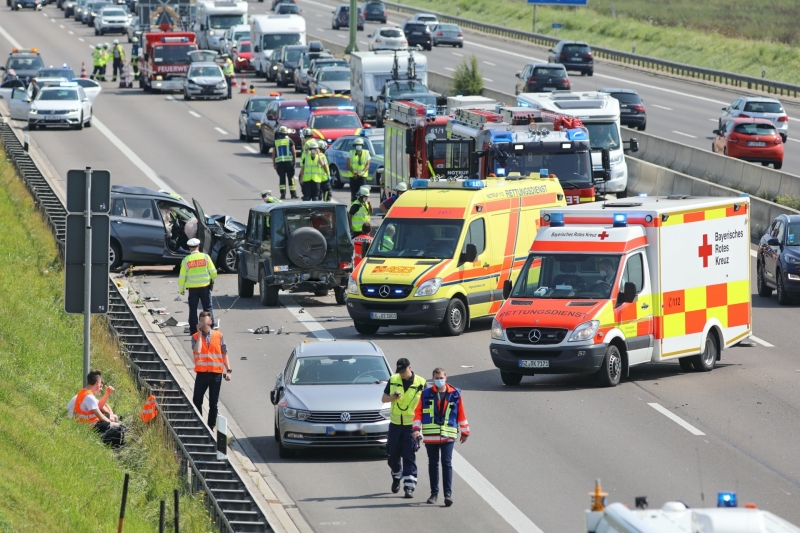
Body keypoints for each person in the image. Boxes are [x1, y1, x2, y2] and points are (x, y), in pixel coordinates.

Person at [412, 368, 469, 507]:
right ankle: (434, 493)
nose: (439, 380)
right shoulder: (425, 394)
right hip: (431, 436)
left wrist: (465, 431)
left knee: (447, 463)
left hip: (448, 434)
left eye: (441, 377)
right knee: (433, 464)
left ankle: (447, 495)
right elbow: (418, 413)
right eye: (436, 378)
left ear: (446, 377)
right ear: (433, 378)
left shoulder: (455, 394)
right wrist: (416, 429)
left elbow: (460, 413)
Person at [382, 358, 427, 498]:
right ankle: (396, 475)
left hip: (411, 425)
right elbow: (384, 399)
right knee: (392, 454)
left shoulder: (421, 382)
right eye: (399, 371)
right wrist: (393, 397)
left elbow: (425, 406)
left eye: (403, 371)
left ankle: (409, 486)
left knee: (409, 455)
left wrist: (419, 428)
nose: (401, 374)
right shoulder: (393, 379)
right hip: (395, 425)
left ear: (410, 368)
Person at [191, 311, 232, 430]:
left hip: (216, 374)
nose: (203, 325)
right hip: (202, 374)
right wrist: (199, 335)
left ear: (210, 322)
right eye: (201, 322)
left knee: (213, 404)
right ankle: (199, 425)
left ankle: (210, 427)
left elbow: (224, 354)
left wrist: (229, 370)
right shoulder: (194, 337)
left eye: (205, 322)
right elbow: (197, 350)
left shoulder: (218, 335)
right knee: (197, 400)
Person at [68, 370, 125, 446]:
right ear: (97, 383)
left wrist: (107, 393)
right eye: (100, 383)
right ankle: (106, 442)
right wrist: (113, 424)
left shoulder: (84, 392)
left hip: (87, 422)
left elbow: (99, 406)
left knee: (115, 423)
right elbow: (100, 416)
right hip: (89, 426)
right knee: (118, 428)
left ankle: (111, 440)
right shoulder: (89, 397)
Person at [178, 238, 218, 335]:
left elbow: (182, 276)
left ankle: (194, 330)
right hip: (204, 287)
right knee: (207, 308)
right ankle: (209, 328)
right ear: (198, 247)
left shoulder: (186, 260)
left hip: (192, 289)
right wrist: (213, 280)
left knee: (193, 309)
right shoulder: (206, 257)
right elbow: (213, 272)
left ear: (189, 248)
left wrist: (181, 289)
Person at [273, 126, 298, 199]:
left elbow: (273, 153)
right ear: (286, 132)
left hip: (279, 163)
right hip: (289, 162)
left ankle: (283, 194)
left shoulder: (276, 141)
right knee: (291, 178)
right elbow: (294, 152)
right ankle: (293, 194)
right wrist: (294, 162)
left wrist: (274, 163)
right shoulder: (290, 140)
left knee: (282, 178)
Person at [347, 138, 371, 203]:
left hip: (362, 177)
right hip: (353, 176)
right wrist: (354, 172)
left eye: (360, 144)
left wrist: (362, 172)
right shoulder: (350, 153)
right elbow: (348, 164)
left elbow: (367, 164)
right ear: (355, 146)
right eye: (357, 145)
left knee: (363, 193)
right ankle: (353, 207)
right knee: (354, 194)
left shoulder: (366, 153)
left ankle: (363, 206)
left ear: (362, 145)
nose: (358, 146)